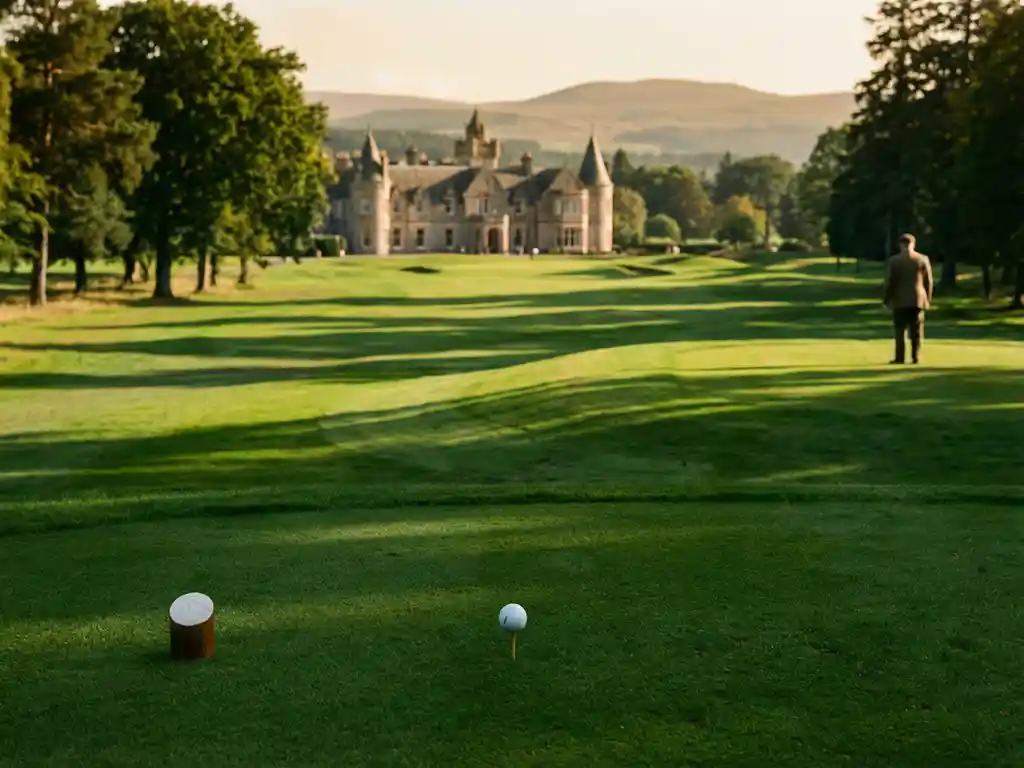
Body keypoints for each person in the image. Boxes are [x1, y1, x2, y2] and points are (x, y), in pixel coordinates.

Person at [883, 233, 933, 364]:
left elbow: (890, 282)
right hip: (917, 299)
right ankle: (915, 357)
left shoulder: (894, 260)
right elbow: (928, 281)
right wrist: (928, 299)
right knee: (916, 330)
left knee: (900, 329)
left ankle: (900, 357)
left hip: (900, 299)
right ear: (913, 244)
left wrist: (886, 300)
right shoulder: (922, 259)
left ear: (900, 245)